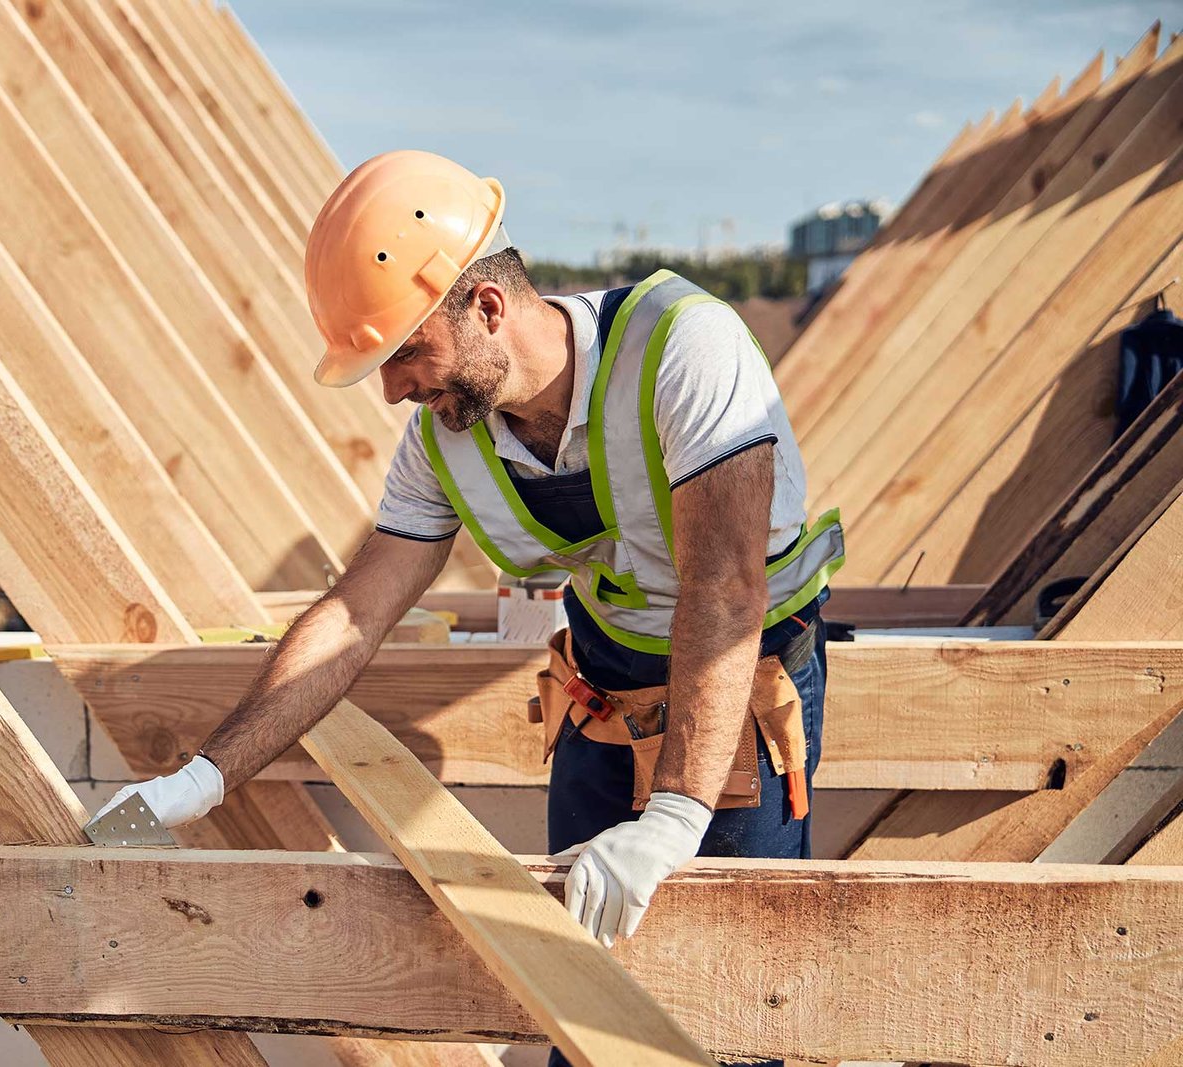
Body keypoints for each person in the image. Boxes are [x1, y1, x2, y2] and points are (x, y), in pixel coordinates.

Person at [91, 150, 844, 1067]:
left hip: (739, 692)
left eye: (406, 350)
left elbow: (726, 587)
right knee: (584, 999)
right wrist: (204, 777)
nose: (394, 388)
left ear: (485, 306)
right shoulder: (445, 441)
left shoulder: (685, 346)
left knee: (731, 1019)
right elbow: (354, 614)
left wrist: (677, 815)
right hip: (603, 699)